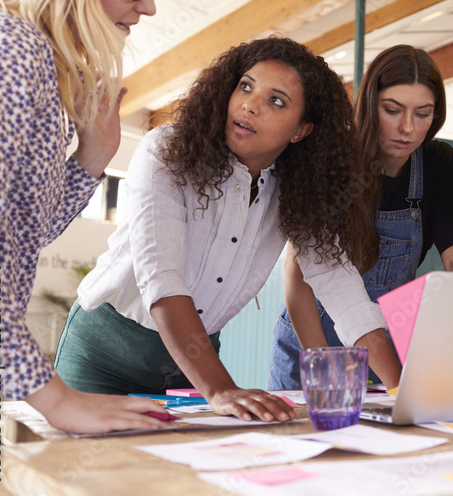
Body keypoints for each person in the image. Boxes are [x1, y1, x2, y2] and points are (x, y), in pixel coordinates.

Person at [54, 37, 396, 422]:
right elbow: (162, 278)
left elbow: (340, 285)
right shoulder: (165, 151)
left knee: (172, 481)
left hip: (190, 367)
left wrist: (402, 391)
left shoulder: (300, 190)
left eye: (276, 101)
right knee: (87, 479)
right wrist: (220, 389)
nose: (250, 104)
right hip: (104, 357)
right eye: (246, 86)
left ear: (301, 130)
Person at [0, 0, 173, 434]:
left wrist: (94, 154)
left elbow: (17, 236)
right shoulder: (5, 51)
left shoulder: (29, 57)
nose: (148, 5)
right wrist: (58, 400)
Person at [268, 44, 453, 389]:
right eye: (392, 110)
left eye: (422, 114)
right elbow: (297, 275)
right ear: (369, 104)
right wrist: (326, 370)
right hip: (312, 340)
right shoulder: (331, 158)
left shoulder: (441, 167)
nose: (407, 127)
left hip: (385, 346)